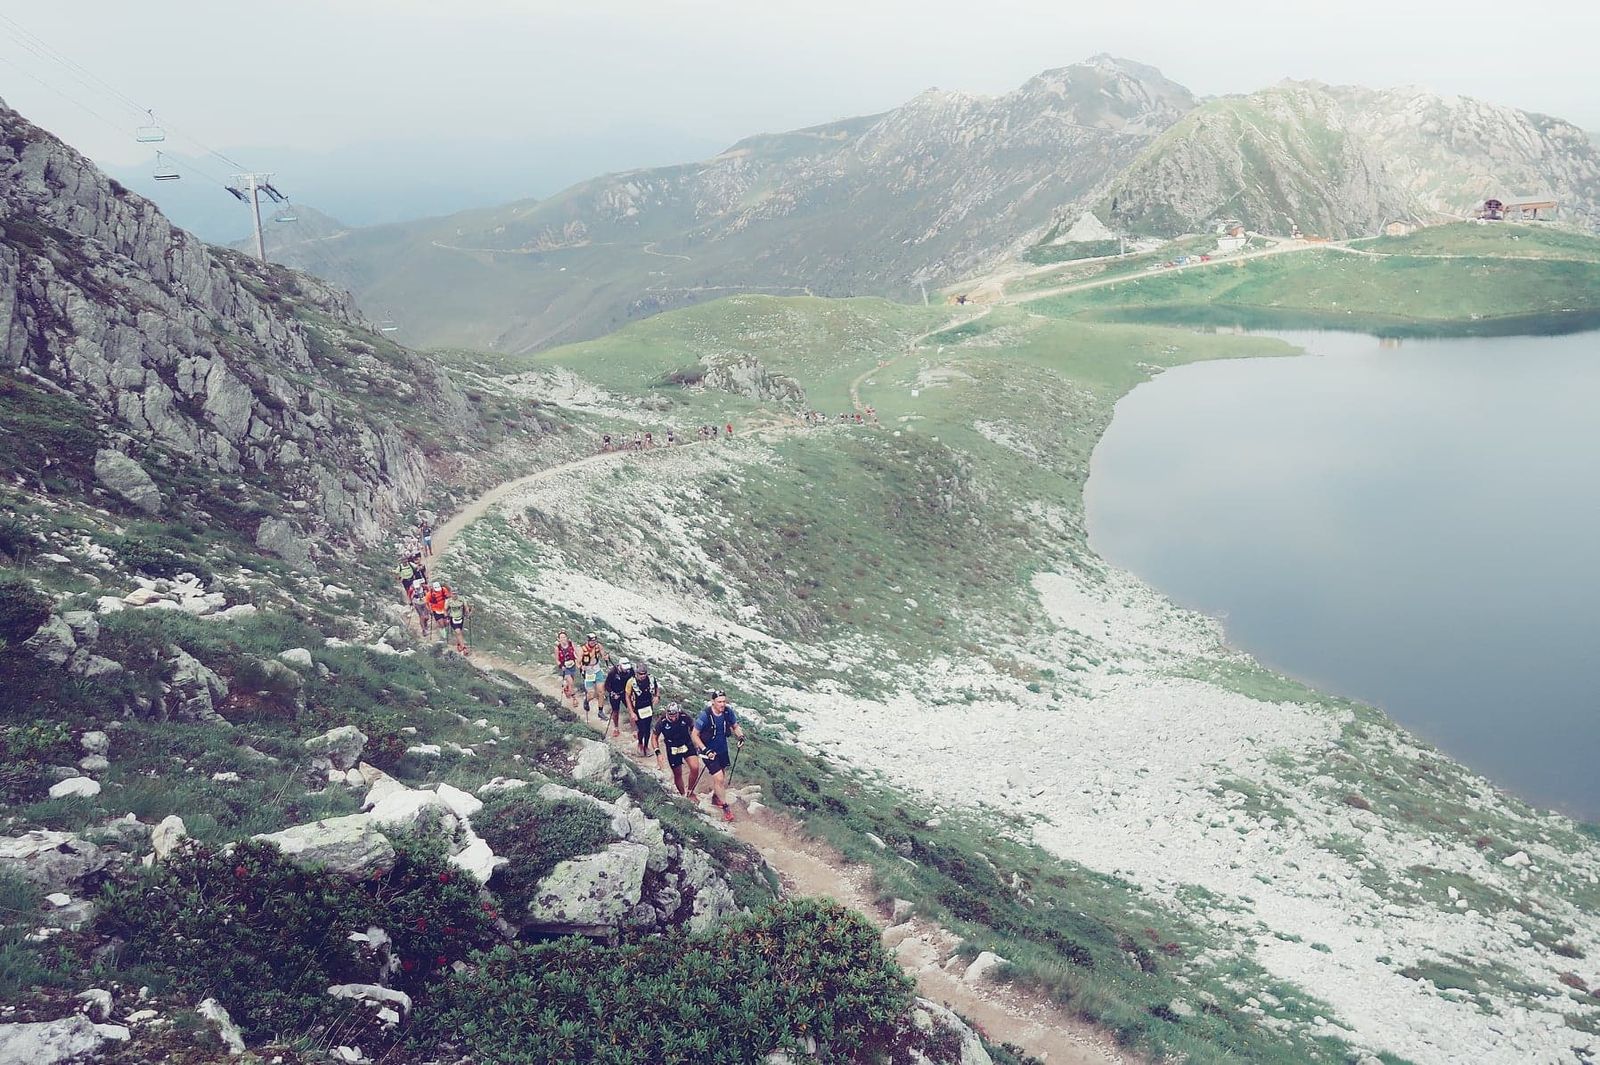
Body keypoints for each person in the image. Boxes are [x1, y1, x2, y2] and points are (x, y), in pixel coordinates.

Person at [693, 691, 746, 822]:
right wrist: (705, 750)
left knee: (721, 775)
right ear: (713, 702)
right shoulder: (705, 715)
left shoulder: (728, 712)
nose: (722, 704)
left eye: (724, 701)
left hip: (722, 749)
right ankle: (725, 807)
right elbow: (694, 735)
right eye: (719, 702)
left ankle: (716, 798)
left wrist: (740, 736)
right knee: (719, 778)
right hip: (709, 752)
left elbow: (735, 726)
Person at [653, 702, 700, 799]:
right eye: (671, 716)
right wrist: (658, 752)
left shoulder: (684, 716)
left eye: (675, 715)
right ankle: (683, 795)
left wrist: (697, 743)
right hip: (672, 748)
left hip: (686, 744)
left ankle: (690, 791)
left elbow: (694, 729)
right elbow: (654, 737)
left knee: (695, 767)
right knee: (677, 773)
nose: (673, 718)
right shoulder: (662, 721)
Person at [624, 662, 660, 758]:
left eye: (644, 673)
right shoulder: (631, 682)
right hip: (638, 706)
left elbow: (657, 688)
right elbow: (627, 696)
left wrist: (657, 696)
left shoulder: (651, 679)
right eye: (640, 674)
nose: (643, 676)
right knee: (642, 729)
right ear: (636, 673)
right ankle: (640, 743)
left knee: (648, 728)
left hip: (648, 705)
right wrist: (631, 712)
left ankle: (646, 746)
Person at [578, 632, 608, 717]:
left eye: (594, 640)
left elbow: (603, 655)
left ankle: (600, 711)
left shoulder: (599, 646)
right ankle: (586, 700)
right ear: (588, 641)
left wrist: (605, 657)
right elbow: (578, 662)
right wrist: (581, 667)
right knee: (591, 694)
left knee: (601, 692)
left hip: (597, 670)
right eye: (591, 641)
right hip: (588, 672)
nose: (593, 642)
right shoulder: (582, 649)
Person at [604, 658, 633, 738]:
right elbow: (606, 685)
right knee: (615, 711)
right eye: (624, 668)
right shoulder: (613, 672)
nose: (626, 670)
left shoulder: (630, 671)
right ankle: (616, 728)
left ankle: (634, 729)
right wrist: (612, 693)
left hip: (625, 693)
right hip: (615, 693)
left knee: (631, 709)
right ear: (620, 666)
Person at [554, 630, 578, 704]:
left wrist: (578, 661)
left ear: (567, 637)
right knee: (570, 681)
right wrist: (561, 666)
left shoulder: (571, 644)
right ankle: (574, 699)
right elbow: (557, 660)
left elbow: (576, 652)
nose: (563, 639)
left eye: (564, 637)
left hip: (572, 665)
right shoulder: (557, 648)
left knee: (571, 683)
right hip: (565, 667)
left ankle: (566, 689)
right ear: (559, 639)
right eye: (561, 637)